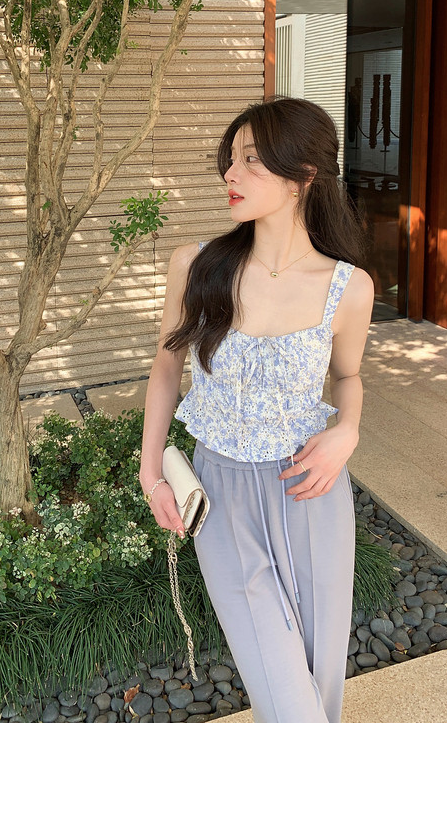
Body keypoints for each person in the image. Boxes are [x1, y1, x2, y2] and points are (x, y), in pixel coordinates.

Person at [139, 97, 374, 723]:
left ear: (303, 177)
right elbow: (166, 368)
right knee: (286, 697)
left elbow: (348, 377)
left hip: (311, 491)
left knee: (320, 683)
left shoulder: (348, 287)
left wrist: (347, 430)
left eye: (251, 161)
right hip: (222, 496)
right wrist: (151, 470)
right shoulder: (196, 266)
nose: (231, 174)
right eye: (231, 159)